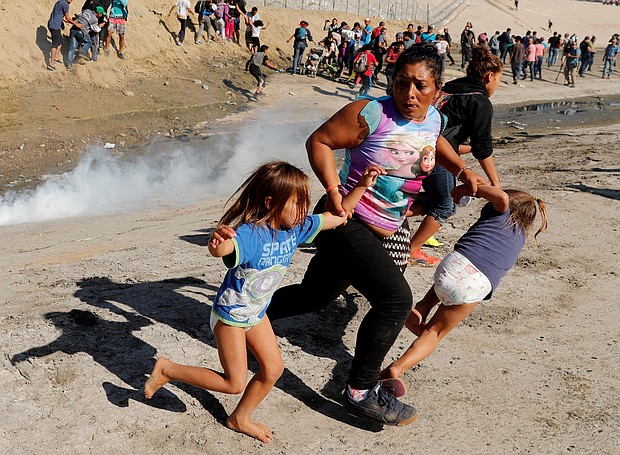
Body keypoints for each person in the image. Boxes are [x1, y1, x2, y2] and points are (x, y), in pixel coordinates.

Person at [265, 45, 486, 427]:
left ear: (438, 89)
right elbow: (318, 142)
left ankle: (246, 318)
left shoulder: (432, 118)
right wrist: (335, 193)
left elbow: (435, 142)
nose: (409, 94)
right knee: (395, 300)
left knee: (315, 296)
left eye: (420, 85)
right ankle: (360, 391)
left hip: (382, 229)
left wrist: (462, 170)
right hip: (346, 222)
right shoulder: (371, 113)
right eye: (402, 84)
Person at [144, 161, 382, 443]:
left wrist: (362, 187)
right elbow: (223, 249)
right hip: (230, 317)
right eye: (298, 203)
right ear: (271, 202)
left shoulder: (297, 228)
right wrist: (216, 242)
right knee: (234, 383)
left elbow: (337, 217)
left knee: (273, 369)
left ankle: (239, 418)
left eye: (305, 203)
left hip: (256, 315)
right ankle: (168, 369)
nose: (304, 210)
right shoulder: (250, 234)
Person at [382, 187, 547, 381]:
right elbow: (502, 198)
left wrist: (472, 189)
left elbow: (501, 197)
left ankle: (420, 309)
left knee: (453, 279)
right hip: (477, 283)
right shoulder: (519, 237)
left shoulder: (498, 211)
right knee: (434, 332)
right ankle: (397, 368)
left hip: (453, 265)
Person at [408, 46, 503, 266]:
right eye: (498, 79)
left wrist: (466, 149)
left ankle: (390, 213)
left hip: (414, 143)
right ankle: (411, 250)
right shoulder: (480, 102)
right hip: (435, 154)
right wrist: (495, 184)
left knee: (434, 199)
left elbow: (449, 135)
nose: (496, 85)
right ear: (490, 77)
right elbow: (483, 148)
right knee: (445, 206)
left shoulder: (451, 88)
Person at [47, 0, 83, 71]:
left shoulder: (60, 2)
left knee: (60, 42)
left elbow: (60, 15)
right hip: (55, 26)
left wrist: (69, 21)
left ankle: (56, 58)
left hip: (52, 24)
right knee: (55, 44)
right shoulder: (65, 4)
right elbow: (68, 18)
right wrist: (76, 24)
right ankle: (51, 64)